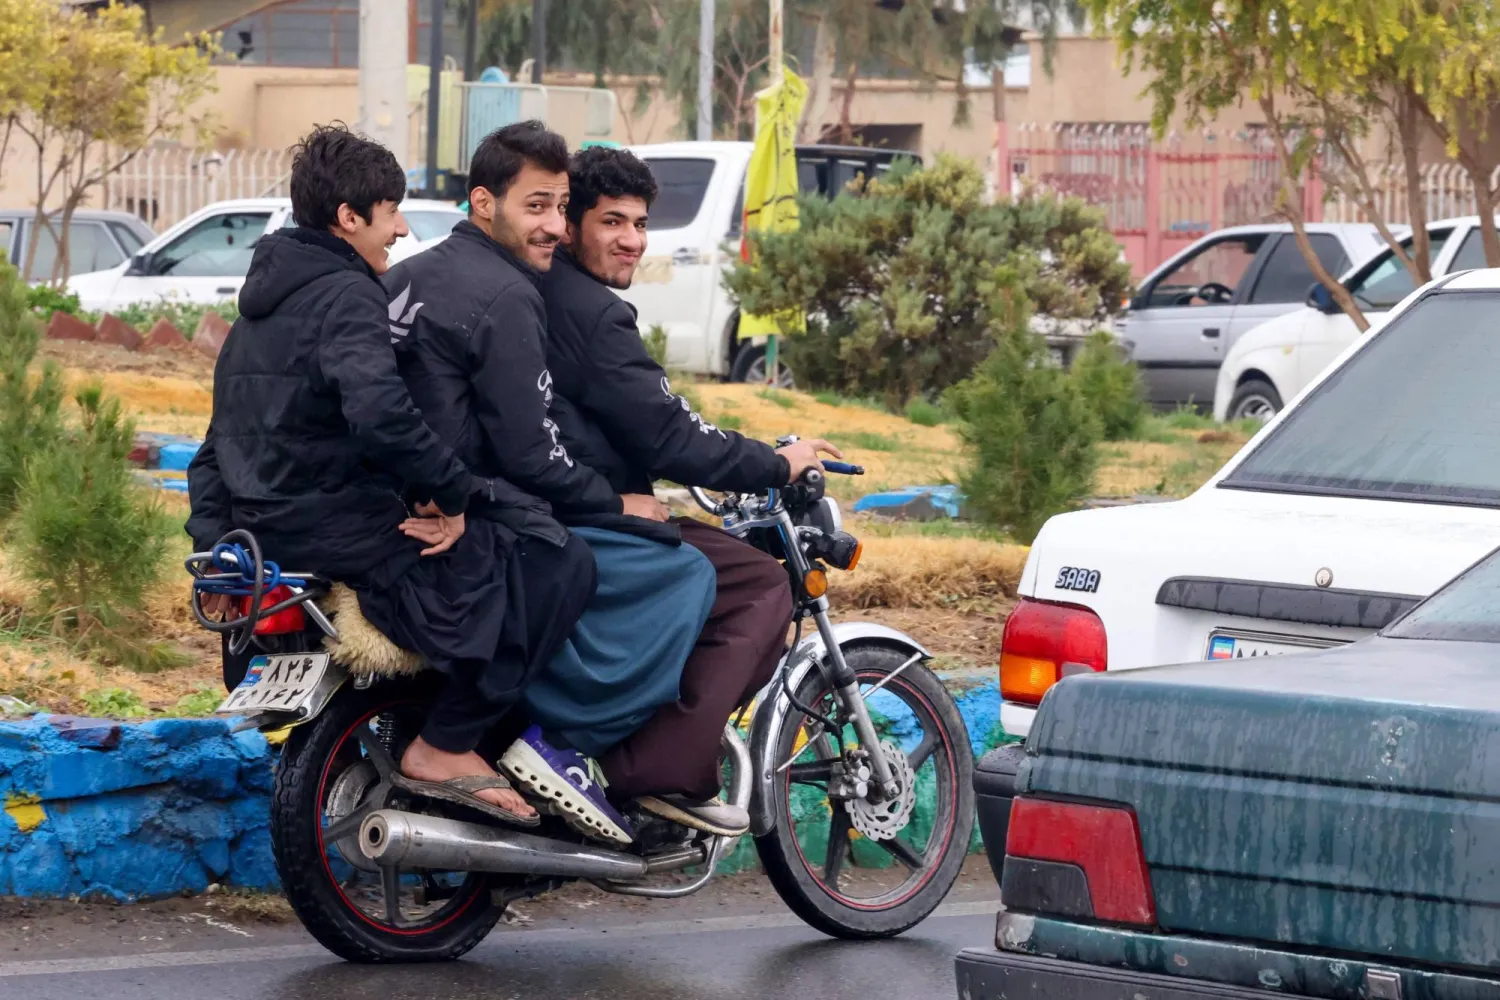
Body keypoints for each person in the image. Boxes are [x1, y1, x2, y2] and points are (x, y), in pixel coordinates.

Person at [186, 123, 594, 830]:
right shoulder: (346, 295)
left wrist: (220, 546)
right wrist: (459, 496)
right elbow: (382, 415)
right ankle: (448, 744)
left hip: (267, 533)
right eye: (391, 211)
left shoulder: (259, 310)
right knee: (557, 560)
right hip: (343, 526)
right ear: (350, 218)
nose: (402, 230)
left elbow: (211, 449)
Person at [383, 121, 717, 847]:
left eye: (559, 208)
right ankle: (563, 746)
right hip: (462, 503)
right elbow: (531, 453)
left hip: (391, 500)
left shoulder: (404, 276)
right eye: (536, 207)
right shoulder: (508, 294)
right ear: (483, 203)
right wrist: (614, 500)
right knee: (596, 564)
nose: (552, 228)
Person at [537, 146, 841, 836]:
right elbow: (670, 436)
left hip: (558, 501)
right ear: (571, 222)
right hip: (593, 514)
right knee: (761, 586)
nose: (632, 241)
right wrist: (774, 462)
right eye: (612, 221)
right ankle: (659, 772)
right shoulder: (591, 313)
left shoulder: (539, 290)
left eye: (640, 224)